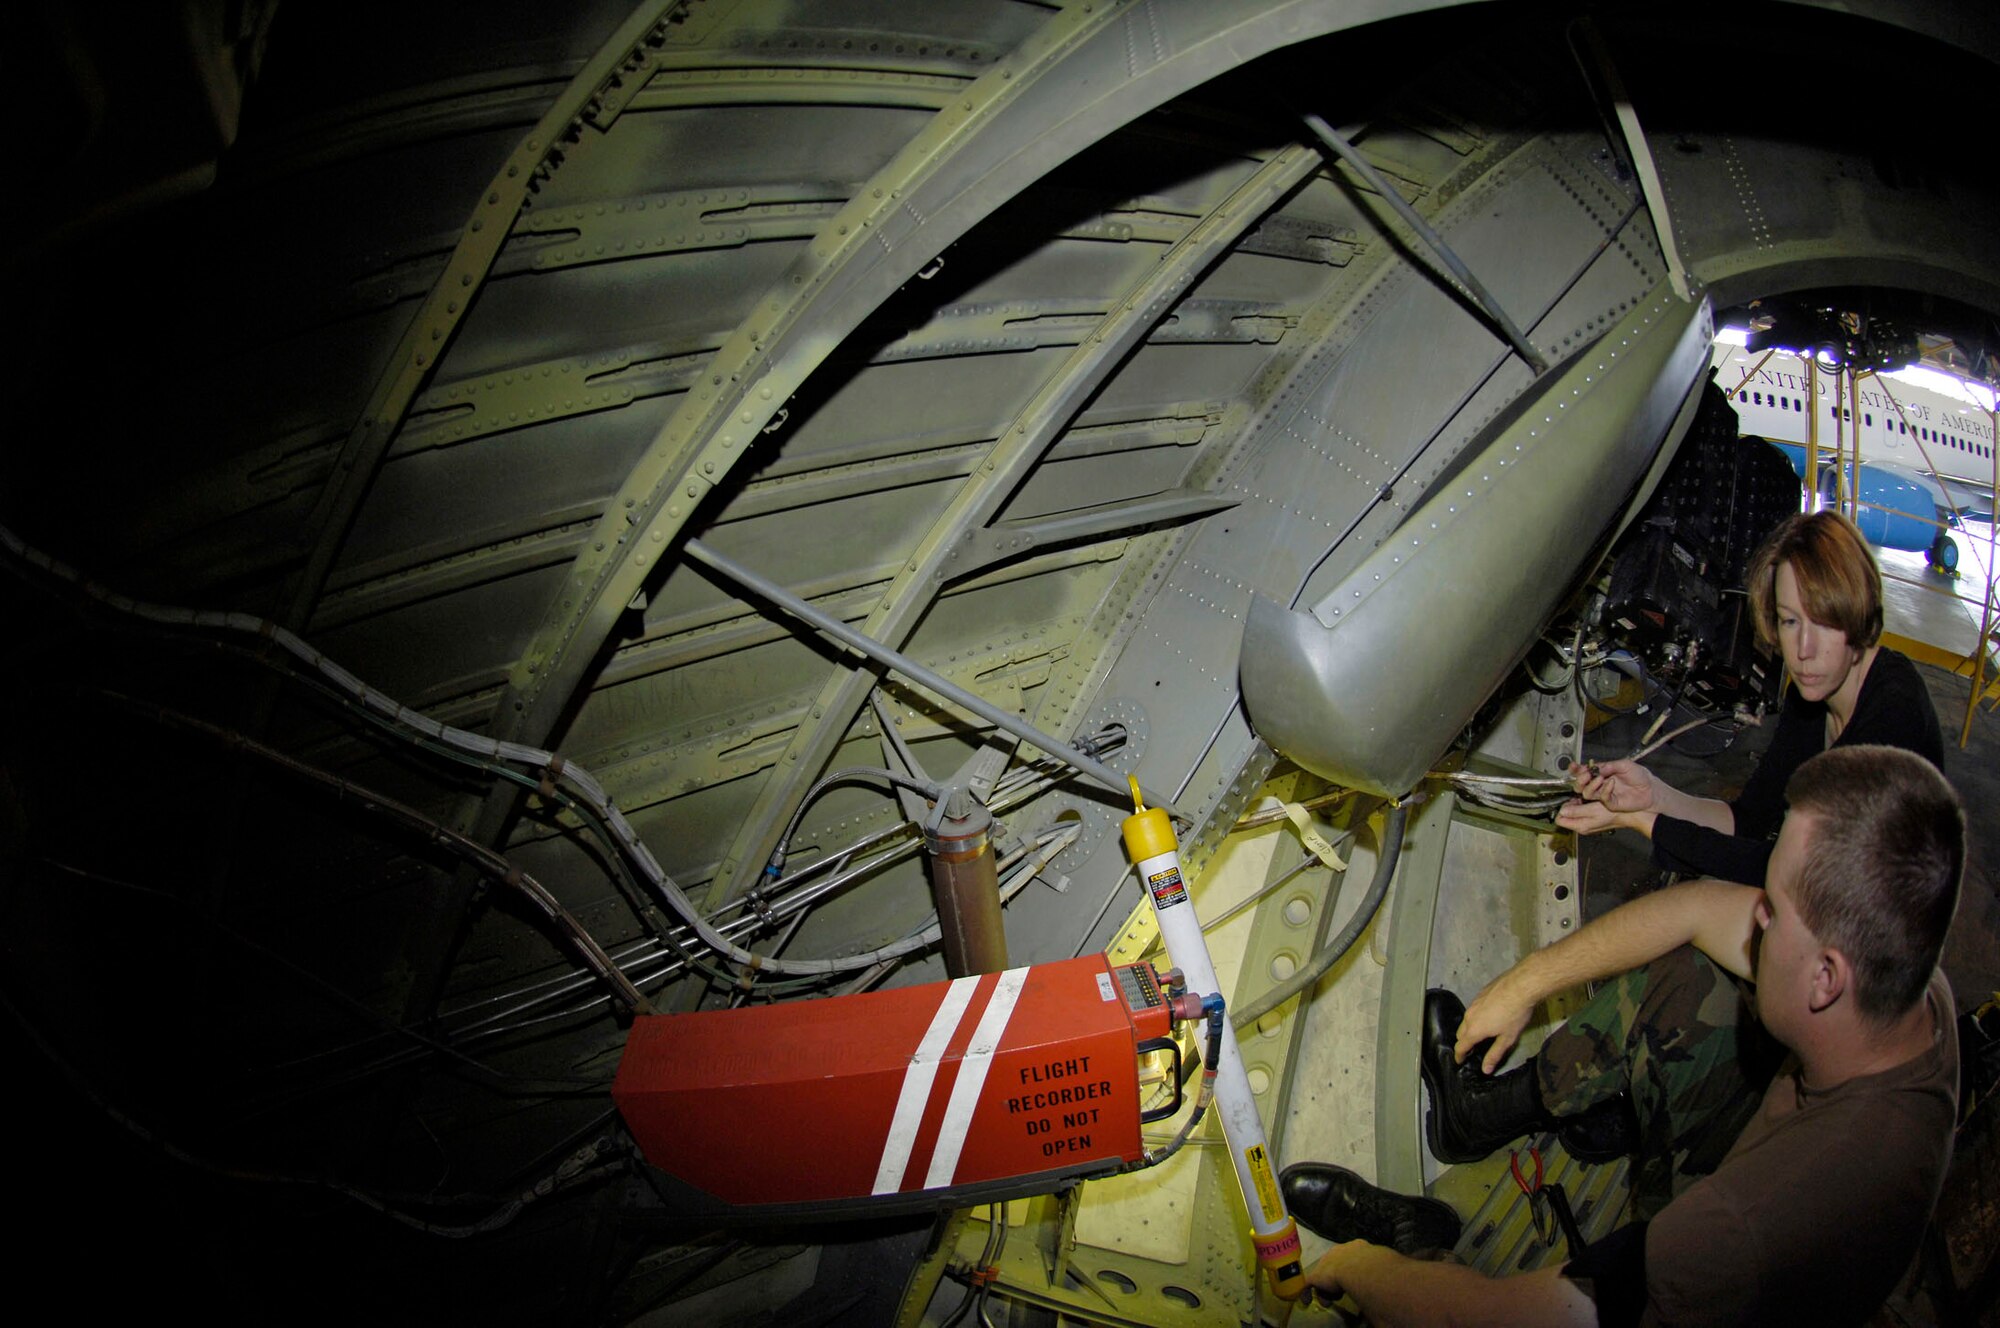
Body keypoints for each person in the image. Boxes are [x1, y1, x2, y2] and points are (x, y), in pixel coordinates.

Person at [1283, 745, 1962, 1326]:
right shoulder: (1907, 983)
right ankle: (1476, 1118)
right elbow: (1697, 911)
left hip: (1712, 1273)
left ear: (1825, 980)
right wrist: (1528, 981)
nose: (1752, 913)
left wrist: (1360, 1268)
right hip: (1746, 1195)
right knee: (1698, 977)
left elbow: (1508, 1319)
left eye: (1773, 911)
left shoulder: (1756, 1225)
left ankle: (1424, 1247)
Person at [1557, 510, 1943, 886]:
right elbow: (1747, 823)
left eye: (1825, 622)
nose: (1803, 650)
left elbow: (1793, 874)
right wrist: (1652, 795)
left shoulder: (1896, 716)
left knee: (1690, 907)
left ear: (1861, 612)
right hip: (1821, 893)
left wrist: (1643, 823)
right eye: (1789, 621)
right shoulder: (1811, 697)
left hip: (1878, 921)